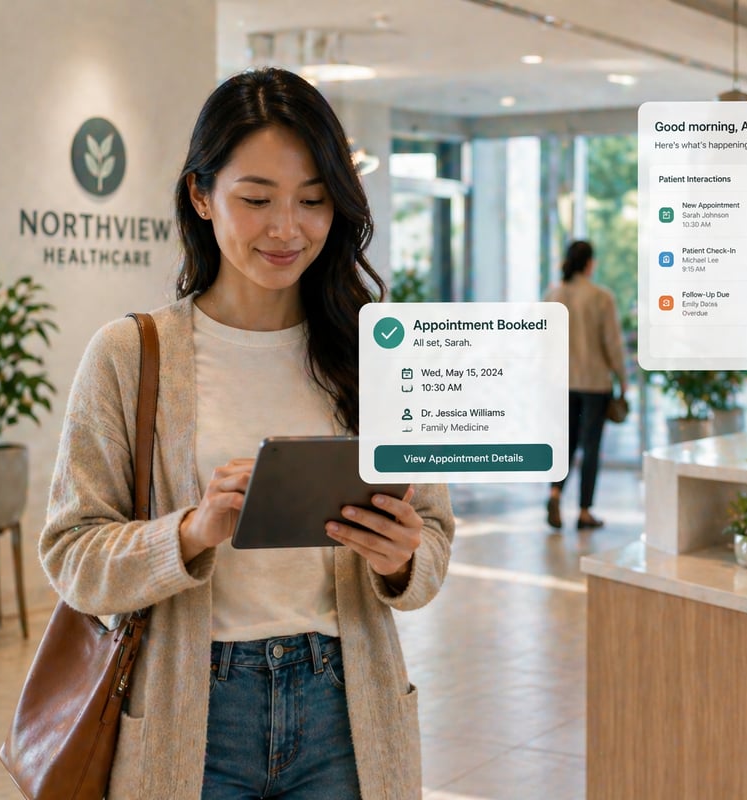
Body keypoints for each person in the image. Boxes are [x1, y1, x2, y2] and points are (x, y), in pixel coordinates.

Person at [39, 68, 454, 800]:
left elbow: (434, 540)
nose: (286, 228)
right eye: (256, 199)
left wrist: (400, 559)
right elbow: (72, 555)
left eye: (314, 201)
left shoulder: (374, 353)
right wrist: (190, 532)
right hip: (189, 711)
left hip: (347, 709)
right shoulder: (131, 355)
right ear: (200, 195)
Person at [542, 240, 627, 530]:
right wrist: (623, 380)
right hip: (594, 384)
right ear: (589, 263)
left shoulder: (553, 296)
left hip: (562, 384)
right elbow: (613, 345)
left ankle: (554, 493)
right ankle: (584, 511)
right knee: (591, 447)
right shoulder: (602, 297)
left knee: (564, 445)